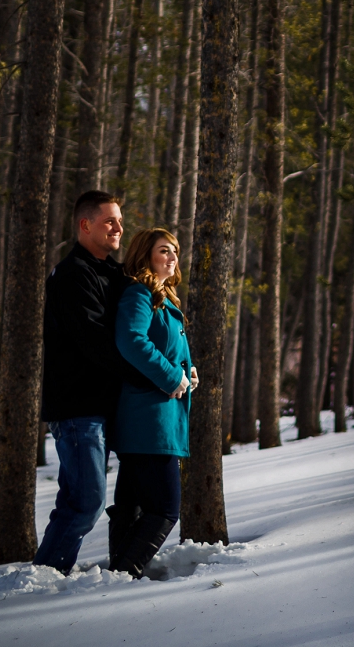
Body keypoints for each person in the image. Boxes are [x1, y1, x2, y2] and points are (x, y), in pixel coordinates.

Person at [32, 190, 144, 573]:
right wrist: (148, 373)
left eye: (119, 220)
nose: (118, 228)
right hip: (79, 409)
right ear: (85, 225)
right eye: (109, 221)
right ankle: (46, 576)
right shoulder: (72, 276)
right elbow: (96, 343)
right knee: (86, 501)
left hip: (111, 406)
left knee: (84, 498)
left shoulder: (114, 273)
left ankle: (49, 576)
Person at [108, 227, 198, 578]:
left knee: (130, 504)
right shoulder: (140, 294)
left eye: (175, 251)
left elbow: (168, 351)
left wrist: (187, 373)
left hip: (156, 416)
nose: (173, 257)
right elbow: (130, 340)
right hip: (149, 418)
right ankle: (124, 573)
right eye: (164, 250)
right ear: (145, 255)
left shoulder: (165, 298)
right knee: (164, 509)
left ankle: (115, 575)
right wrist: (170, 377)